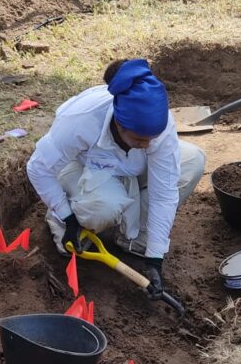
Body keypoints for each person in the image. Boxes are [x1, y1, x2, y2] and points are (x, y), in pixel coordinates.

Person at [26, 58, 205, 297]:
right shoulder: (80, 120)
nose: (147, 144)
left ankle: (134, 238)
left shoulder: (158, 130)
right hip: (84, 169)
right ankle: (66, 215)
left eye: (151, 139)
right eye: (139, 139)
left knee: (193, 161)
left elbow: (164, 194)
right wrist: (67, 217)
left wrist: (155, 258)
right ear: (119, 124)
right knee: (102, 209)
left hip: (129, 168)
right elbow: (37, 168)